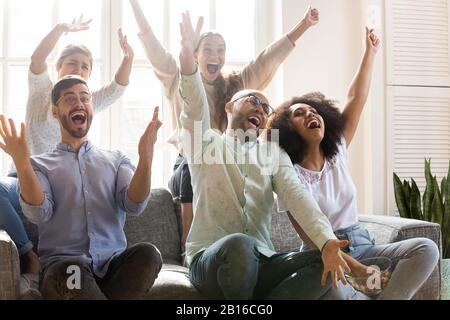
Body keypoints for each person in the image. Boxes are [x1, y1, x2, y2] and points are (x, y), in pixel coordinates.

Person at [177, 12, 351, 300]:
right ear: (230, 106)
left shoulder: (273, 152)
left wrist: (326, 241)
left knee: (325, 260)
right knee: (240, 245)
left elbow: (297, 195)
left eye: (266, 108)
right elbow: (193, 106)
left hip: (262, 258)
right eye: (253, 100)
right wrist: (187, 61)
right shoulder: (205, 142)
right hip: (209, 258)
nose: (260, 109)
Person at [129, 0, 321, 247]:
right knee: (190, 166)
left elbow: (266, 60)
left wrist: (303, 25)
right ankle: (190, 244)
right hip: (190, 161)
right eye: (207, 49)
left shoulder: (235, 87)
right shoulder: (178, 78)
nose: (214, 55)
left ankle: (245, 245)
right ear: (196, 54)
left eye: (220, 50)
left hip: (226, 165)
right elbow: (152, 44)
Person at [267, 28, 440, 299]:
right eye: (299, 114)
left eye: (313, 110)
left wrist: (370, 53)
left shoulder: (337, 150)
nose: (310, 114)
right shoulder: (289, 175)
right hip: (322, 254)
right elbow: (311, 237)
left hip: (362, 244)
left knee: (426, 249)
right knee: (335, 289)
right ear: (287, 131)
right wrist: (356, 271)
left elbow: (355, 97)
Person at [0, 75, 163, 300]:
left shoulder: (116, 159)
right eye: (69, 99)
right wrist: (22, 162)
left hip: (112, 267)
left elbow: (133, 204)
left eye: (85, 98)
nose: (79, 103)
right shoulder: (40, 165)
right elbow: (39, 211)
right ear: (55, 112)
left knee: (148, 254)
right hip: (65, 267)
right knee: (71, 272)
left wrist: (146, 159)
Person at [0, 16, 134, 274]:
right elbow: (37, 59)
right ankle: (29, 253)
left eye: (85, 67)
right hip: (28, 176)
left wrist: (128, 57)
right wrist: (62, 29)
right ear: (59, 66)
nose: (79, 69)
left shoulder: (85, 100)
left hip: (64, 180)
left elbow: (118, 87)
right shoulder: (42, 89)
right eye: (73, 62)